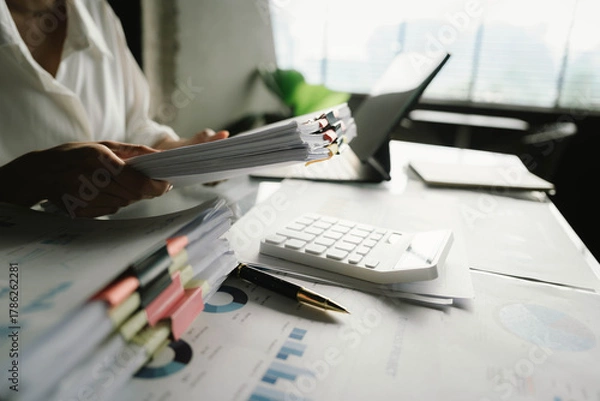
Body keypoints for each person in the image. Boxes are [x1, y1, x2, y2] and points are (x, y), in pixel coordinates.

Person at [0, 0, 228, 217]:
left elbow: (133, 125)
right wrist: (37, 177)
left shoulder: (95, 10)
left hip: (102, 246)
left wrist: (180, 152)